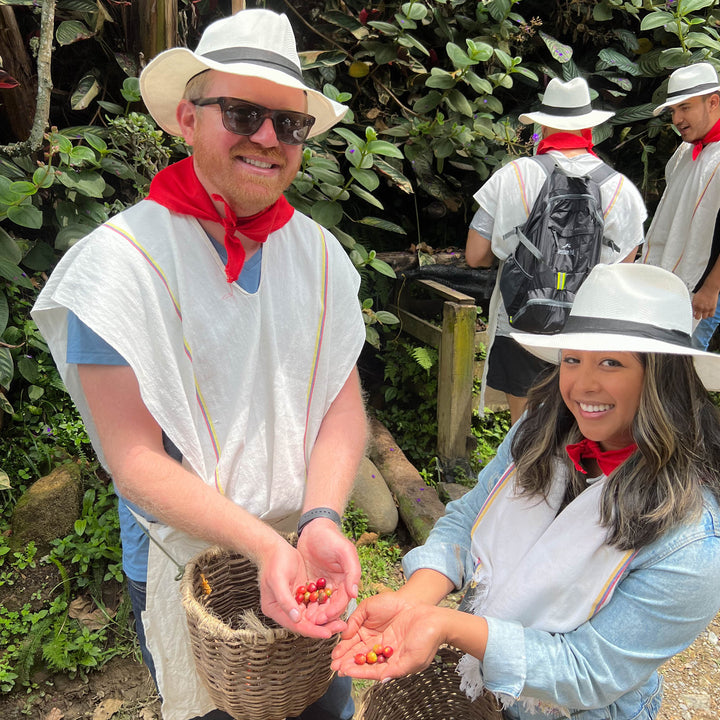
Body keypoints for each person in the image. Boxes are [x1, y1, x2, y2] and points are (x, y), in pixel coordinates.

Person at [32, 9, 367, 720]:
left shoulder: (320, 257)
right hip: (187, 559)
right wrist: (260, 546)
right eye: (243, 114)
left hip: (297, 540)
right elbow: (136, 462)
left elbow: (339, 405)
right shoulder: (118, 269)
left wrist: (320, 519)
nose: (269, 139)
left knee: (320, 705)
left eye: (290, 123)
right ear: (187, 118)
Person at [331, 262, 720, 719]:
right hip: (490, 684)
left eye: (611, 363)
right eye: (572, 359)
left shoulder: (692, 538)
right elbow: (466, 521)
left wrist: (447, 624)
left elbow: (587, 672)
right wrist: (410, 601)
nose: (582, 385)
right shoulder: (538, 436)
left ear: (662, 377)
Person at [466, 77, 646, 424]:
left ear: (543, 125)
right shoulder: (620, 189)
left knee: (523, 429)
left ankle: (523, 476)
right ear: (589, 127)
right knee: (577, 425)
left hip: (521, 320)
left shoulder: (513, 176)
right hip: (585, 329)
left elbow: (475, 254)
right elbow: (625, 267)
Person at [641, 62, 720, 351]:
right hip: (668, 282)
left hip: (704, 291)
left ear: (713, 102)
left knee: (680, 368)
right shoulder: (684, 151)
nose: (677, 119)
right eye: (673, 111)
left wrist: (711, 289)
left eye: (685, 108)